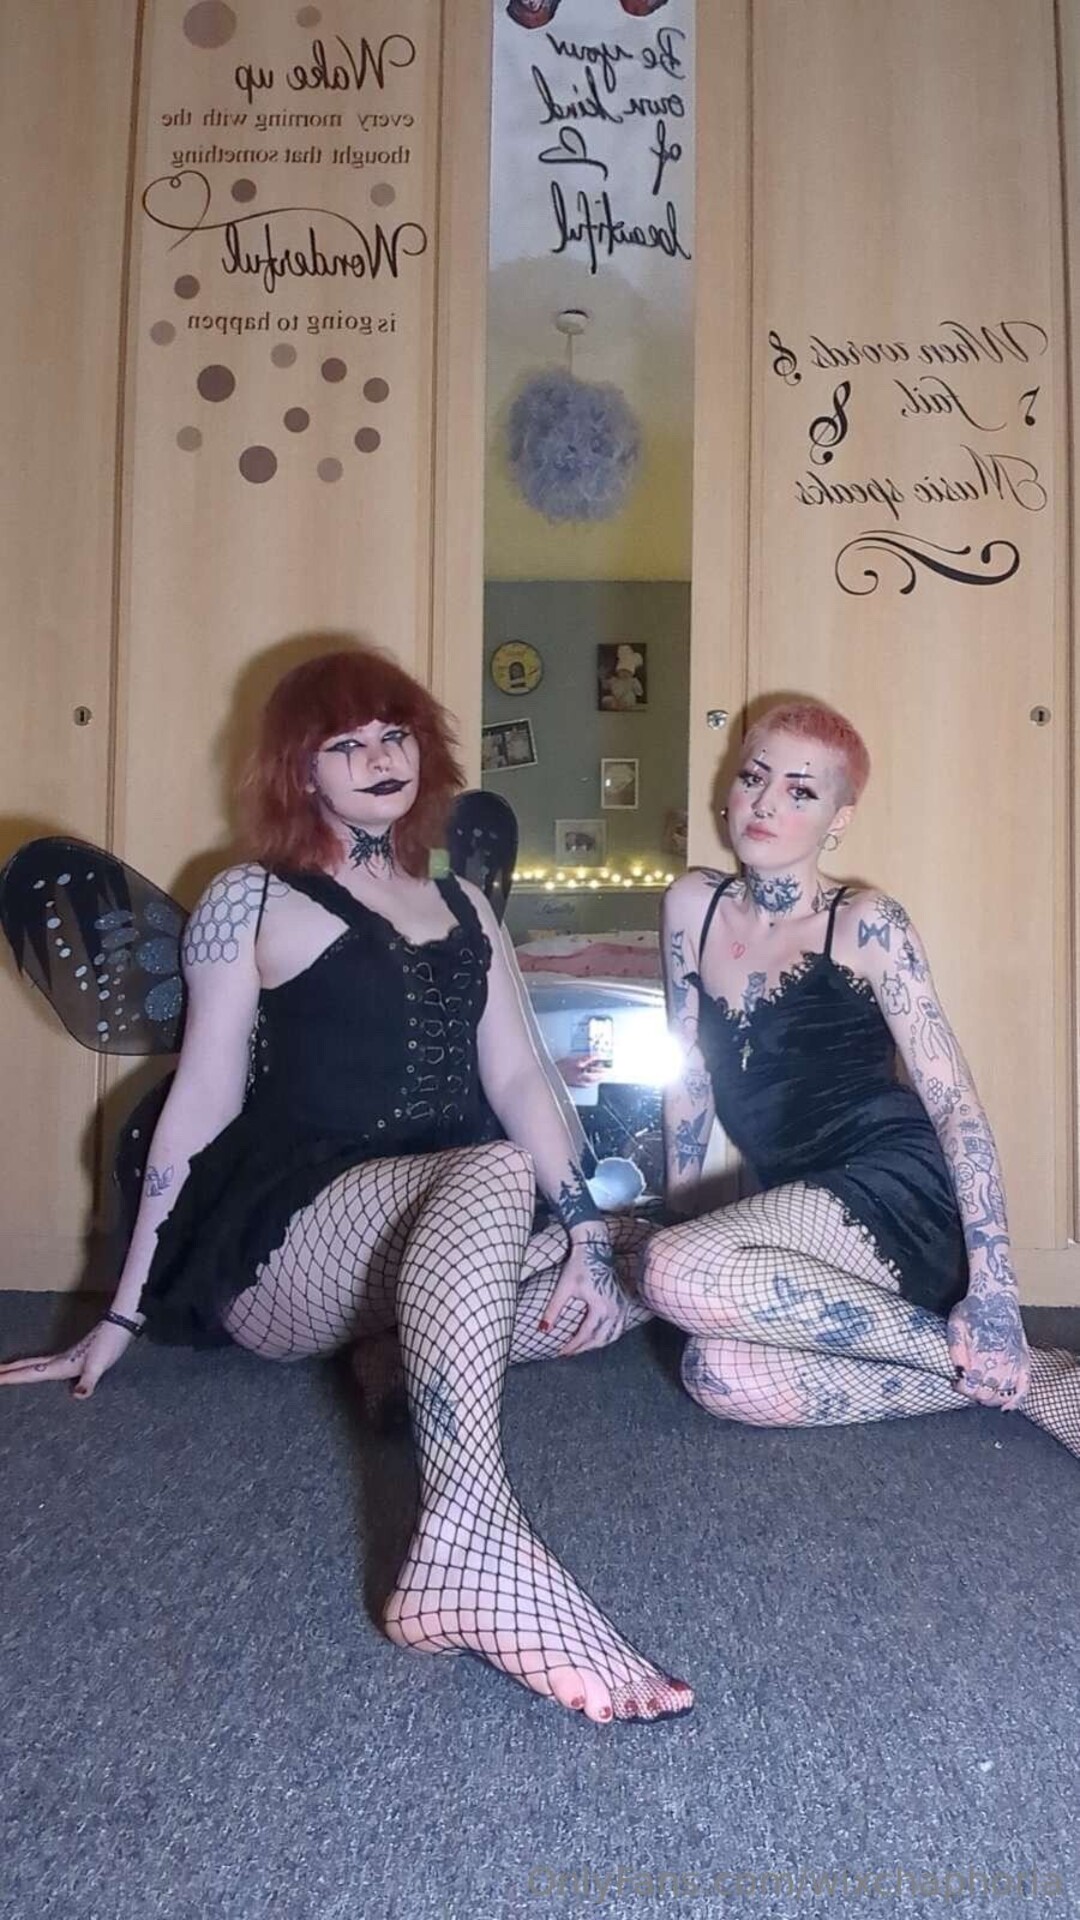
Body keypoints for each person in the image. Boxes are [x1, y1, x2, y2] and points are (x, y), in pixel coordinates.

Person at [0, 645, 692, 1726]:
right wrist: (121, 1310)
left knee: (641, 1260)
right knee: (498, 1176)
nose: (379, 757)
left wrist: (591, 1240)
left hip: (443, 1220)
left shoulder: (464, 903)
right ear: (301, 770)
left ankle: (392, 1361)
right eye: (346, 743)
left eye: (394, 733)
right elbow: (201, 1101)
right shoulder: (249, 898)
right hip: (285, 1244)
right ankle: (468, 1541)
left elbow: (521, 1076)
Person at [640, 700, 1080, 1458]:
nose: (766, 803)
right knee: (717, 1372)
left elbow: (954, 1103)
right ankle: (1025, 1379)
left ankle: (1018, 1363)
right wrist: (681, 1211)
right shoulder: (691, 905)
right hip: (796, 1203)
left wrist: (996, 1288)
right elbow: (690, 1077)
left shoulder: (867, 923)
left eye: (801, 791)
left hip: (897, 1187)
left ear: (838, 819)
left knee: (673, 1272)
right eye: (754, 777)